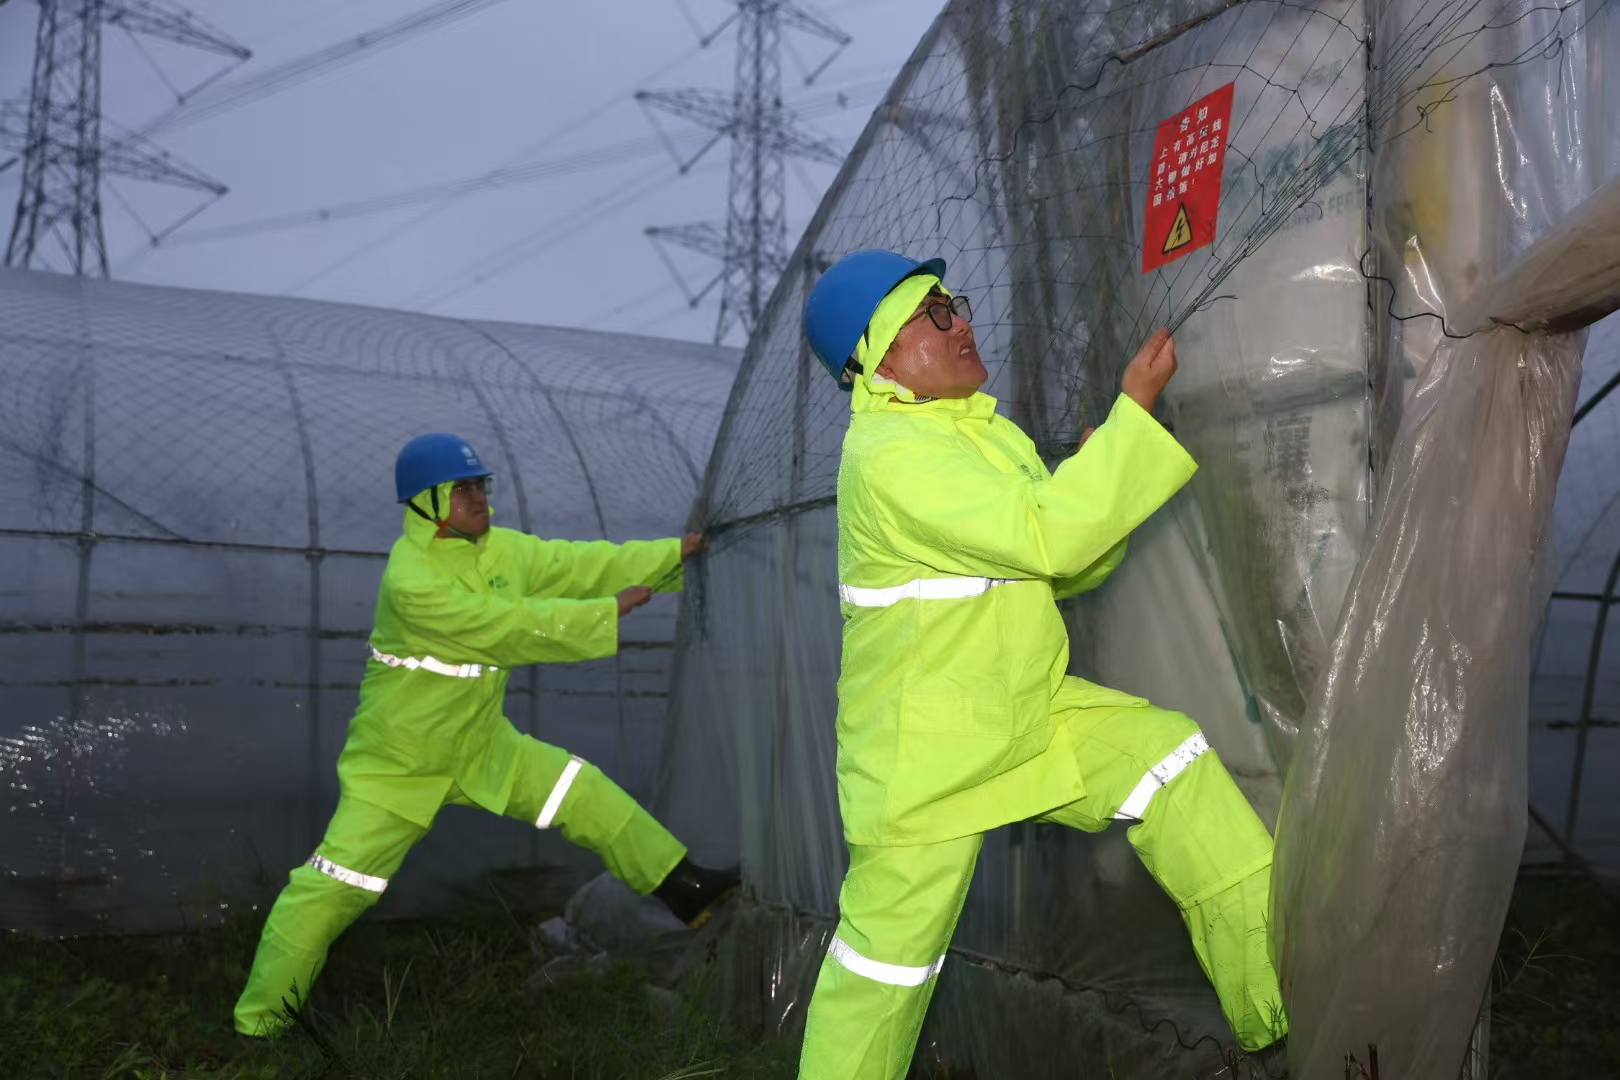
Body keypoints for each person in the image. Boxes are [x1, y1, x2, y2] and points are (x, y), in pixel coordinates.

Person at [795, 250, 1288, 1077]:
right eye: (937, 313)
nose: (965, 321)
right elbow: (1055, 530)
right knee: (883, 976)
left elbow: (1066, 565)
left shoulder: (984, 436)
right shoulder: (890, 455)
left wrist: (1101, 466)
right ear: (879, 355)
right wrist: (1128, 419)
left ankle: (1273, 1015)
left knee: (1169, 761)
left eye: (960, 304)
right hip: (928, 761)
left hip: (1024, 714)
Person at [233, 432, 738, 1036]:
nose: (479, 499)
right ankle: (262, 1023)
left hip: (481, 746)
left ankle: (687, 890)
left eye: (480, 486)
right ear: (425, 503)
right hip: (399, 765)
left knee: (584, 793)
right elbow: (501, 628)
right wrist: (606, 613)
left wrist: (668, 556)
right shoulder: (411, 581)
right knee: (329, 891)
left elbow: (574, 564)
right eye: (462, 489)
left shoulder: (499, 551)